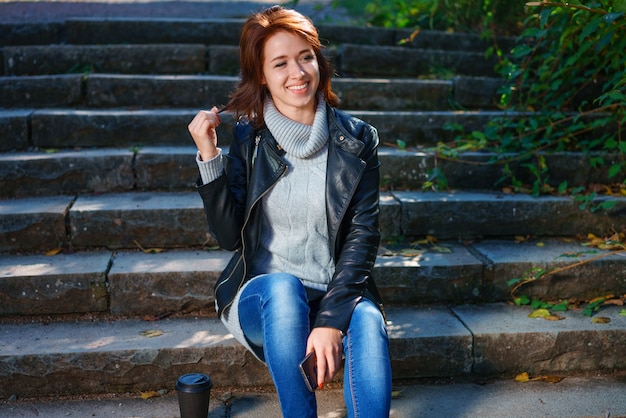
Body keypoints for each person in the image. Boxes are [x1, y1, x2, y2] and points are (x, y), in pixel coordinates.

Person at [188, 5, 392, 417]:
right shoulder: (250, 137)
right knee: (283, 288)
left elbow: (362, 236)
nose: (297, 73)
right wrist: (209, 156)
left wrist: (331, 321)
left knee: (368, 321)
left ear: (319, 61)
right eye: (280, 63)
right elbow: (229, 236)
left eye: (305, 57)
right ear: (261, 75)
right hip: (264, 297)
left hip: (333, 292)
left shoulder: (358, 140)